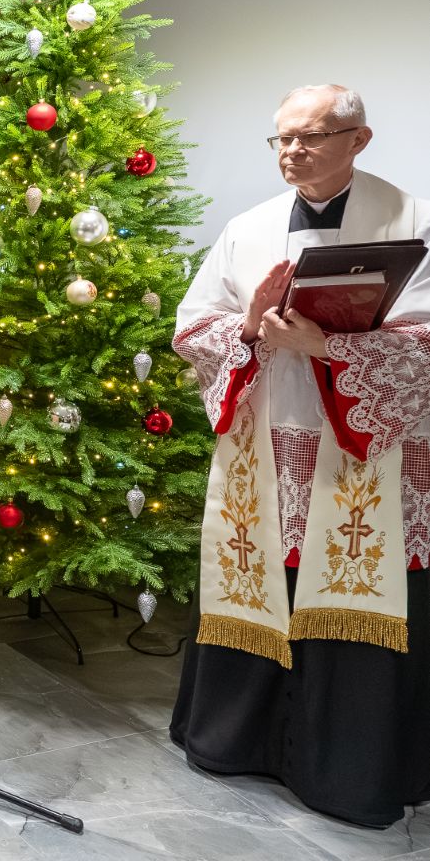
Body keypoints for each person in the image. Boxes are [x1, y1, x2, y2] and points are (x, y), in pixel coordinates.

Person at [171, 84, 430, 827]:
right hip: (271, 444)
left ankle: (348, 769)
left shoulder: (412, 222)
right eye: (282, 138)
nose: (292, 152)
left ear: (358, 139)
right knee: (270, 581)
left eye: (310, 137)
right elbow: (192, 328)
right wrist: (250, 329)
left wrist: (326, 346)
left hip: (366, 455)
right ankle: (240, 744)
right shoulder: (246, 228)